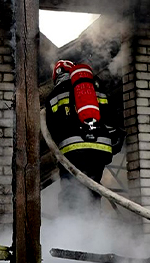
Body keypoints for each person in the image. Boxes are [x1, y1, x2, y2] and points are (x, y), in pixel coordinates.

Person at [45, 59, 124, 213]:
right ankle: (92, 223)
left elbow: (53, 127)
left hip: (73, 150)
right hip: (100, 148)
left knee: (71, 190)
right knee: (93, 188)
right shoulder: (95, 89)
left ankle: (72, 223)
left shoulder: (56, 94)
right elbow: (111, 117)